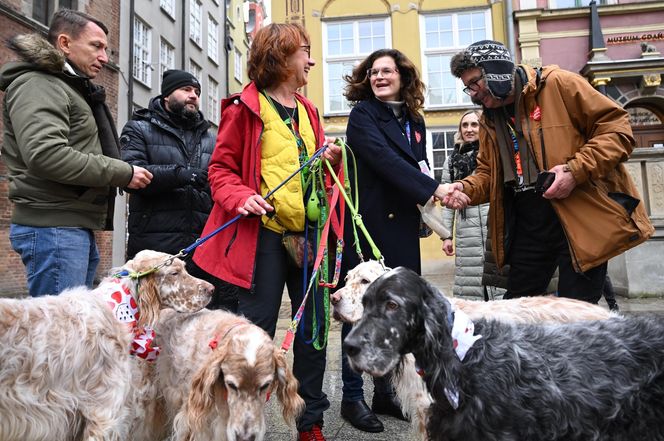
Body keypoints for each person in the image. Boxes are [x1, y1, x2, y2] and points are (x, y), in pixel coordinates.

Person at [191, 23, 341, 441]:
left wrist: (327, 158)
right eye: (304, 52)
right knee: (256, 335)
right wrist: (241, 196)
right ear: (280, 56)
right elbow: (219, 170)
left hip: (309, 236)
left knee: (313, 333)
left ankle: (310, 424)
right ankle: (244, 423)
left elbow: (314, 173)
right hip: (264, 239)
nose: (310, 60)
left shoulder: (309, 110)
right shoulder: (245, 107)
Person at [445, 39, 653, 303]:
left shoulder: (559, 84)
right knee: (517, 308)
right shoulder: (489, 119)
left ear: (495, 71)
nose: (473, 93)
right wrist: (465, 188)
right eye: (468, 88)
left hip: (580, 213)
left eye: (475, 83)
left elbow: (617, 131)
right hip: (529, 221)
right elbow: (488, 174)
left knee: (575, 311)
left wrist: (574, 171)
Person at [338, 48, 464, 433]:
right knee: (357, 309)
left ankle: (385, 393)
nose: (379, 77)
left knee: (396, 309)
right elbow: (384, 161)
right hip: (369, 224)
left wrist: (427, 208)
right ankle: (352, 396)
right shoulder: (362, 115)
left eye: (387, 71)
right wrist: (435, 189)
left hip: (403, 226)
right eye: (373, 72)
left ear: (403, 77)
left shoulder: (415, 119)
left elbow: (416, 164)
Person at [0, 9, 152, 297]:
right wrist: (123, 172)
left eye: (106, 48)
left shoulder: (69, 87)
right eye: (96, 46)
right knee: (61, 337)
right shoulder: (39, 84)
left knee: (73, 332)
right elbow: (46, 155)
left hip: (68, 226)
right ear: (65, 44)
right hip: (54, 228)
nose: (105, 57)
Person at [120, 69, 236, 311]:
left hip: (201, 246)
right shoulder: (139, 129)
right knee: (153, 319)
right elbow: (133, 173)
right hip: (156, 244)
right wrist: (183, 174)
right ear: (166, 96)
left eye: (196, 92)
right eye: (186, 90)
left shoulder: (210, 139)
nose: (193, 95)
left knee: (200, 320)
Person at [441, 109, 505, 300]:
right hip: (466, 229)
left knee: (500, 281)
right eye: (465, 125)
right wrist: (446, 236)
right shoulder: (451, 160)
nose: (469, 129)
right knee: (470, 283)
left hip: (493, 221)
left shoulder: (496, 153)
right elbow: (447, 202)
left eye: (474, 124)